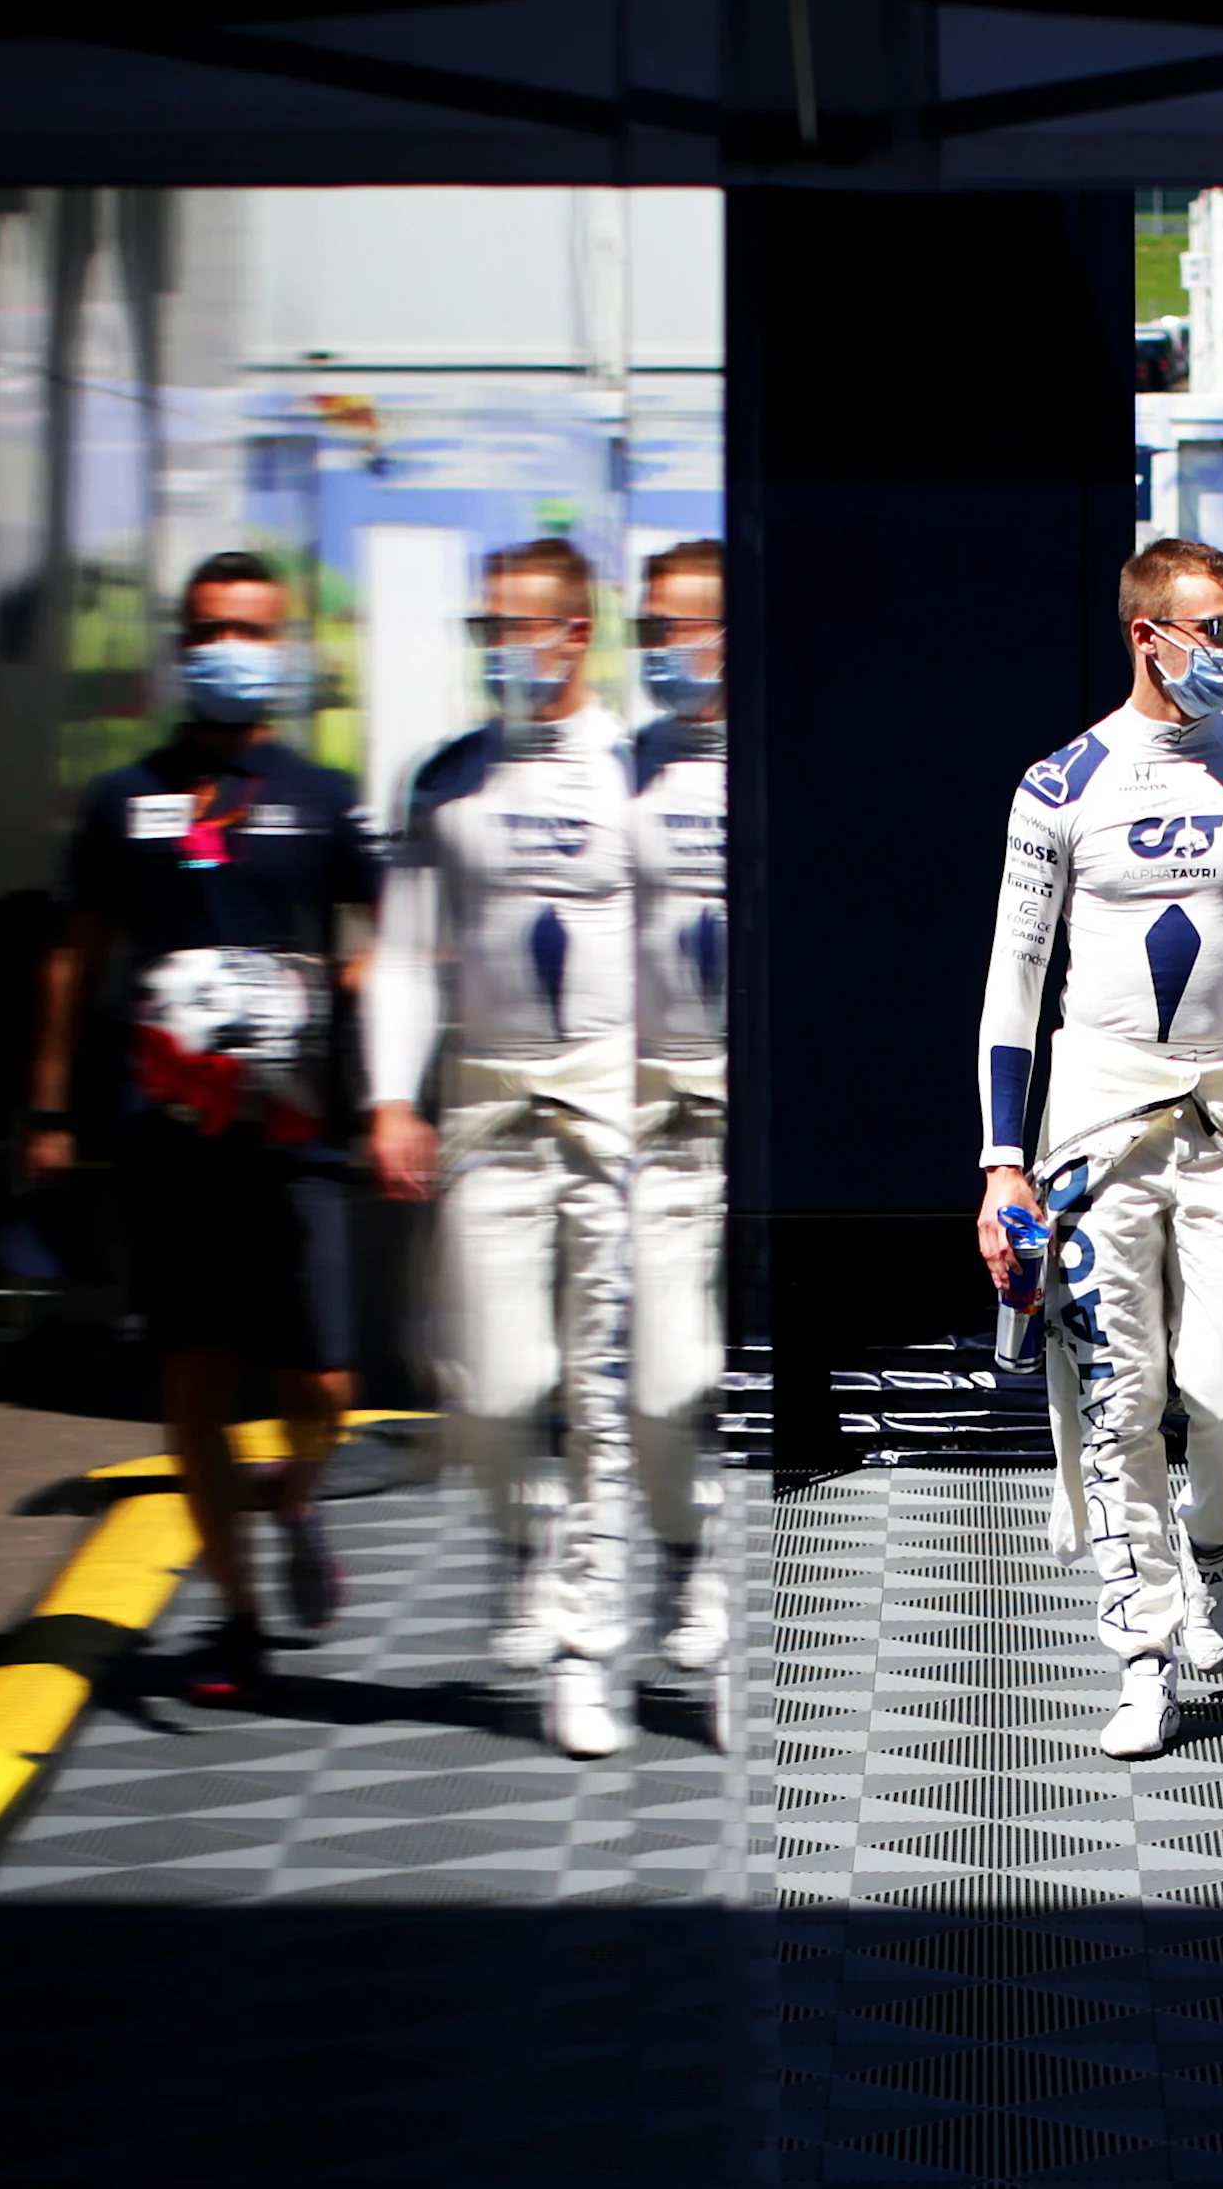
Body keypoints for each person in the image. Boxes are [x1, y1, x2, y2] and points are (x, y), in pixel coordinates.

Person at [972, 537, 1223, 1760]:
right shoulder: (1057, 785)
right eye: (1215, 629)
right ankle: (1138, 1653)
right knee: (1116, 1396)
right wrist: (1000, 1160)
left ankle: (1214, 1541)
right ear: (1149, 633)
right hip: (1093, 1128)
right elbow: (1013, 980)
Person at [24, 551, 375, 1700]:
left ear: (284, 648)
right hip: (170, 1137)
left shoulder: (323, 797)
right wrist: (48, 1107)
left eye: (253, 630)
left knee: (322, 1387)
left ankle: (297, 1493)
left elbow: (389, 930)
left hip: (294, 1136)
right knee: (193, 1379)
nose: (233, 649)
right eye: (213, 629)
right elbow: (73, 958)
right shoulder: (123, 799)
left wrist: (353, 1016)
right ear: (183, 647)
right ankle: (235, 1618)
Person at [367, 537, 695, 1759]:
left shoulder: (640, 771)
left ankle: (585, 1645)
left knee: (610, 1390)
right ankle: (526, 1544)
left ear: (574, 633)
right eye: (484, 627)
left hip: (619, 1121)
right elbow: (405, 948)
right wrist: (390, 1097)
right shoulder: (445, 778)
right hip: (488, 1116)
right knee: (495, 1390)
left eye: (516, 624)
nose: (498, 647)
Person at [623, 539, 731, 1687]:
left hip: (772, 1129)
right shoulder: (619, 776)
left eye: (682, 625)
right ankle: (683, 1555)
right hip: (657, 1122)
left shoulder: (787, 773)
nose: (662, 647)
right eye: (649, 627)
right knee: (660, 1381)